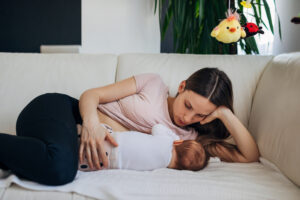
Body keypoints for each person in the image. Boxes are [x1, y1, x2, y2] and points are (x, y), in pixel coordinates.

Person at [0, 67, 259, 185]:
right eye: (188, 106)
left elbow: (249, 156)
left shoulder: (189, 139)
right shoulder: (153, 84)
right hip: (61, 112)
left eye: (201, 116)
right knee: (61, 169)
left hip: (62, 142)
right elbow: (91, 95)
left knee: (60, 163)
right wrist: (91, 124)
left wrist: (225, 115)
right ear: (182, 87)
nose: (187, 118)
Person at [77, 124, 209, 171]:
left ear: (179, 143)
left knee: (82, 133)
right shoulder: (162, 167)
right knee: (83, 158)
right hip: (110, 162)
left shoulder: (168, 141)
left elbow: (157, 127)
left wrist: (175, 138)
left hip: (113, 140)